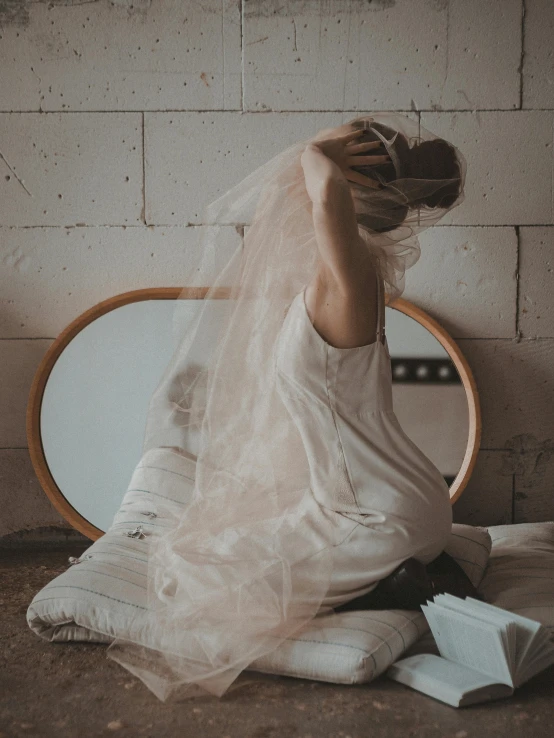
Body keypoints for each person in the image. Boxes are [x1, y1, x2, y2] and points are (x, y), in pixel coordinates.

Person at [106, 113, 473, 701]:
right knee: (213, 542)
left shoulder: (348, 276)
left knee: (196, 586)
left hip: (378, 517)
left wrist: (317, 153)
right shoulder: (344, 278)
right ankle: (389, 581)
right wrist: (320, 156)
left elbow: (324, 186)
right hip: (393, 499)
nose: (289, 196)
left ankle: (388, 579)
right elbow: (322, 188)